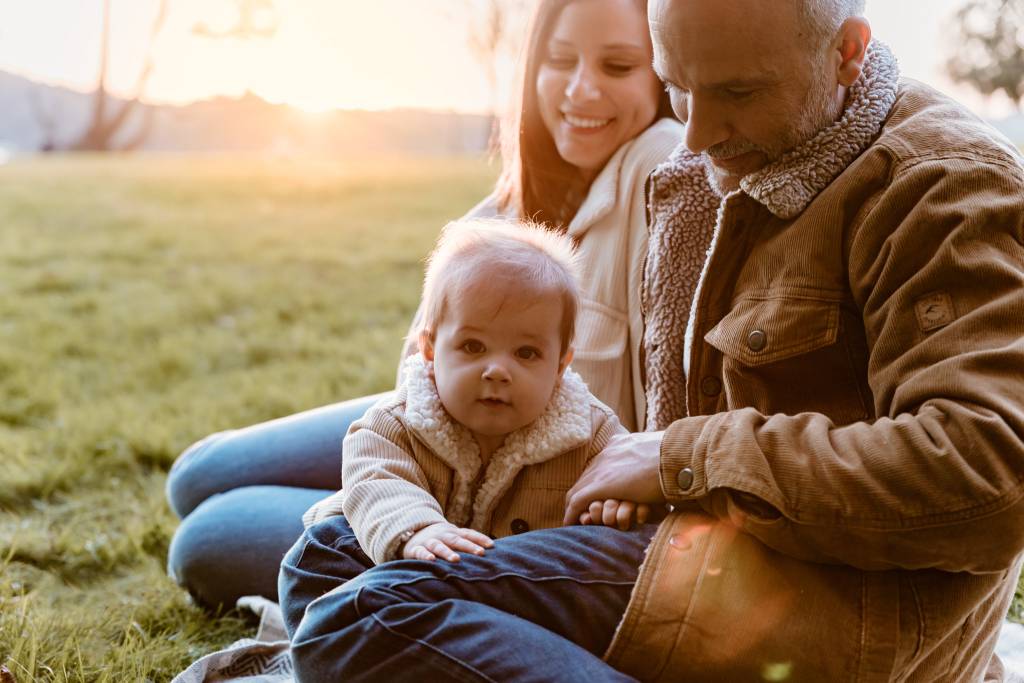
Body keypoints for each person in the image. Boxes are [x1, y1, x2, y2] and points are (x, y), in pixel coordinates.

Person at [279, 0, 1024, 680]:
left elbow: (990, 478)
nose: (695, 135)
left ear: (847, 54)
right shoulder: (717, 161)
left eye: (737, 92)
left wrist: (679, 459)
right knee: (323, 559)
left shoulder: (945, 188)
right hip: (693, 542)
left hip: (824, 599)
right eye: (677, 86)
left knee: (363, 613)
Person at [165, 0, 682, 608]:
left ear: (662, 76)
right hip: (443, 422)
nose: (580, 89)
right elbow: (421, 357)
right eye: (560, 60)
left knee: (209, 536)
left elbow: (661, 407)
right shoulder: (518, 198)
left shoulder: (662, 167)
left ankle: (386, 528)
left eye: (618, 66)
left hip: (532, 459)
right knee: (195, 475)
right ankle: (387, 501)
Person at [279, 218, 656, 634]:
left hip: (512, 598)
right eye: (473, 346)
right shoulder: (394, 424)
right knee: (319, 557)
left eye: (527, 353)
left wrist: (620, 501)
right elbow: (377, 481)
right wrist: (418, 530)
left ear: (561, 365)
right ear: (429, 347)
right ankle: (357, 645)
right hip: (392, 565)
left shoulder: (587, 429)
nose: (497, 370)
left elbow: (624, 468)